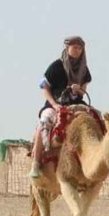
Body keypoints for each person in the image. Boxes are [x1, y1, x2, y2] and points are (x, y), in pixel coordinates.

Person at [30, 36, 91, 179]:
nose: (77, 50)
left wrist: (78, 89)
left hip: (76, 104)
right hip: (56, 102)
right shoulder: (56, 66)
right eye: (74, 47)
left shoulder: (84, 69)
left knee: (95, 119)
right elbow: (44, 87)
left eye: (80, 48)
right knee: (44, 121)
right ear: (67, 48)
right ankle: (36, 163)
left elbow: (84, 91)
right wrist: (54, 104)